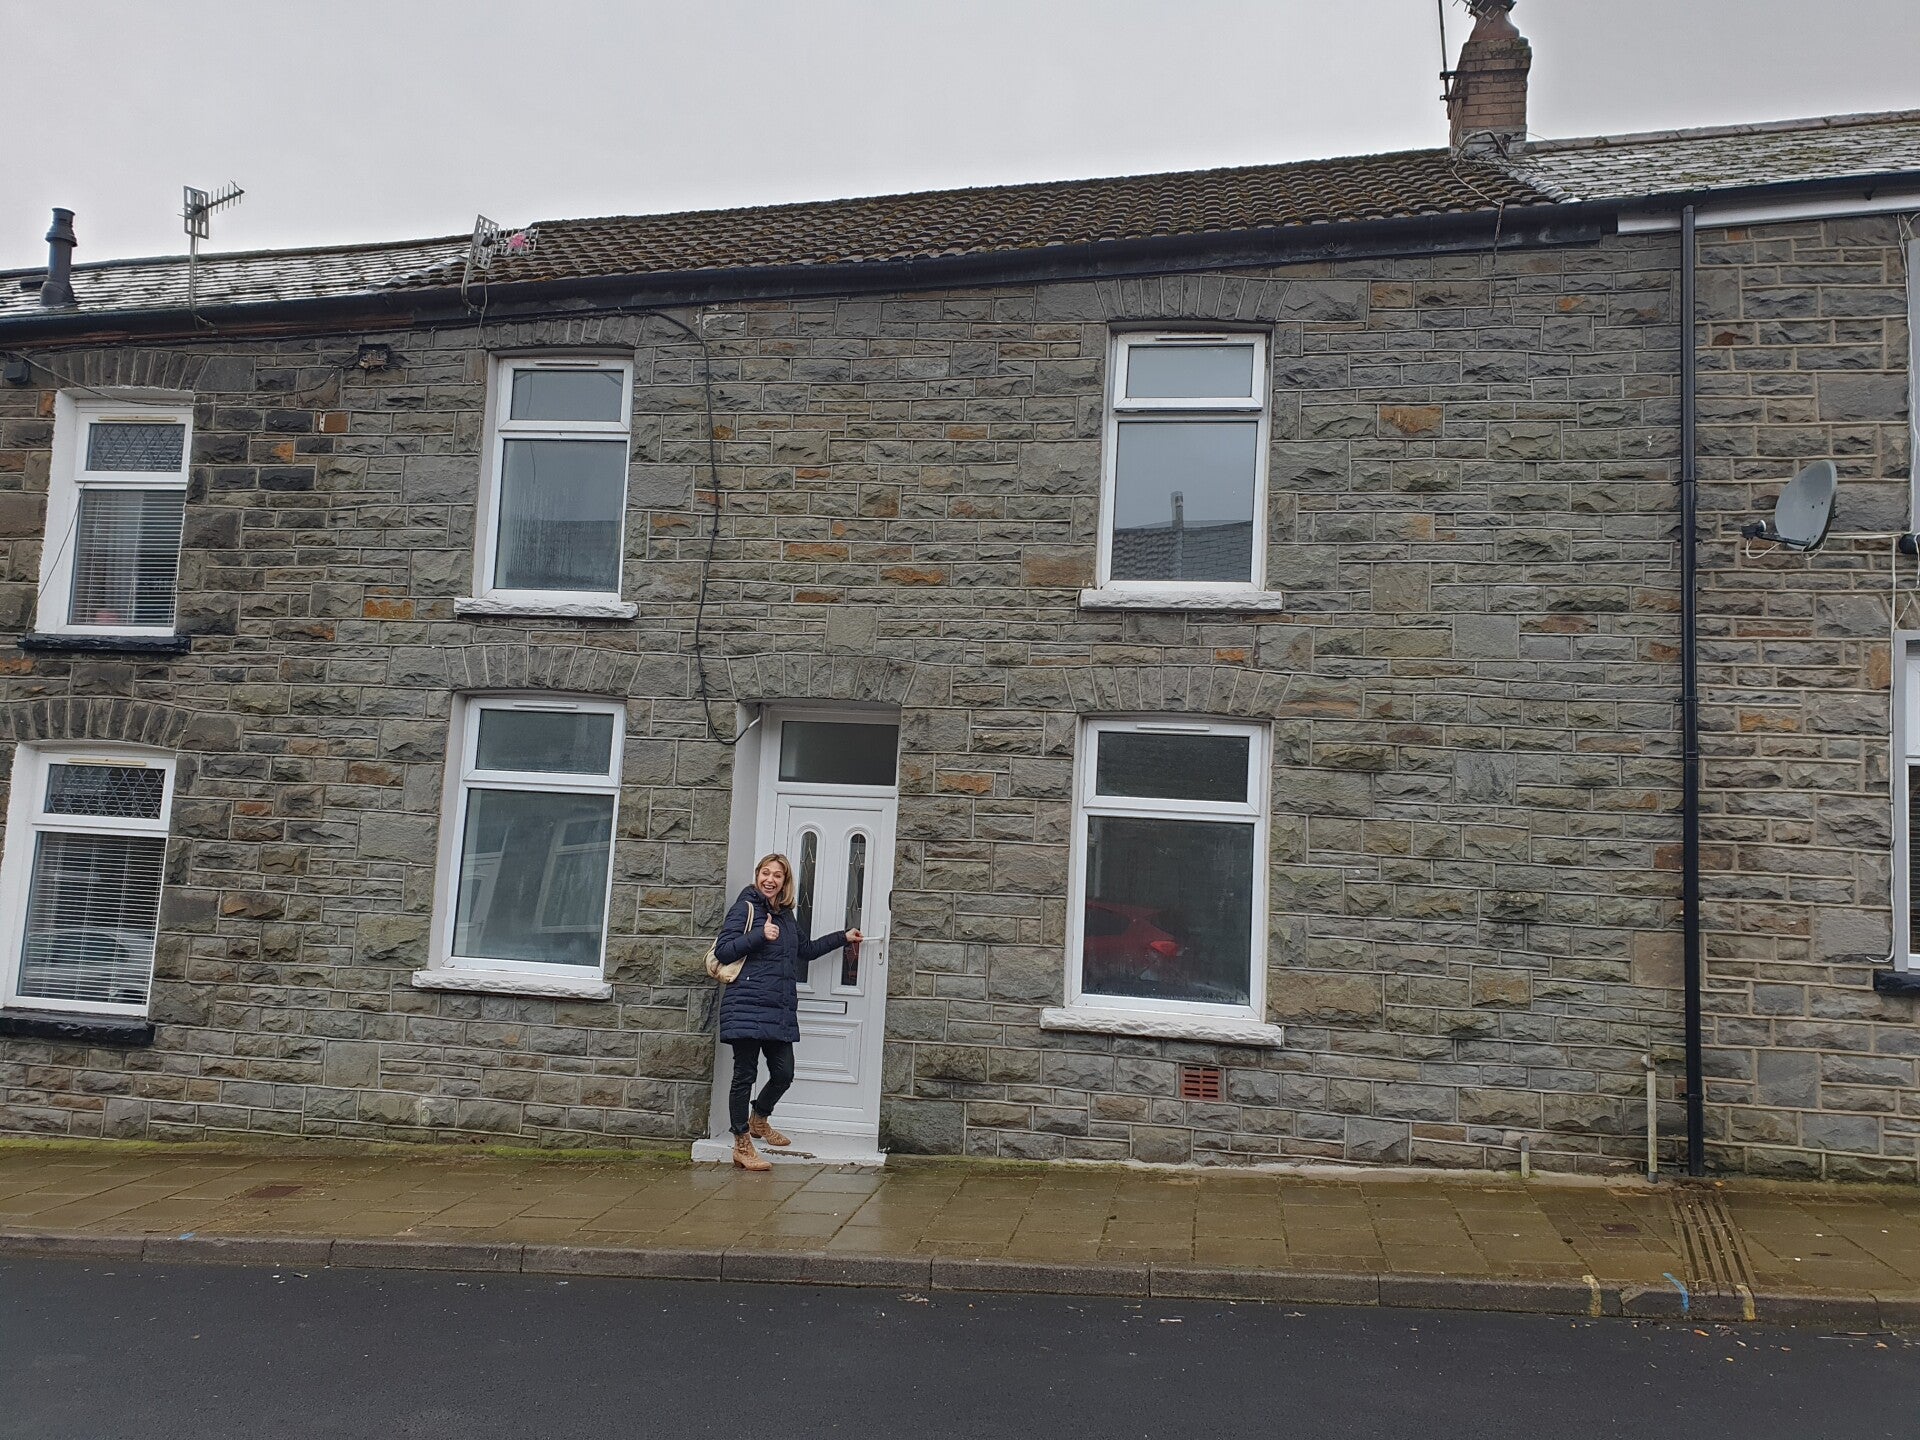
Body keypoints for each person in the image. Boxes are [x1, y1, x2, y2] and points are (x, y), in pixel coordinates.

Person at [713, 852, 863, 1171]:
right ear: (757, 875)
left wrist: (844, 937)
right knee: (744, 1075)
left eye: (777, 875)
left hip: (778, 1007)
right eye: (765, 873)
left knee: (784, 1073)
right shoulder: (745, 907)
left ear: (785, 882)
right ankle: (741, 1144)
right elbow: (724, 951)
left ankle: (759, 1118)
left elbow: (805, 950)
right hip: (746, 1004)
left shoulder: (785, 915)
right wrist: (759, 935)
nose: (770, 879)